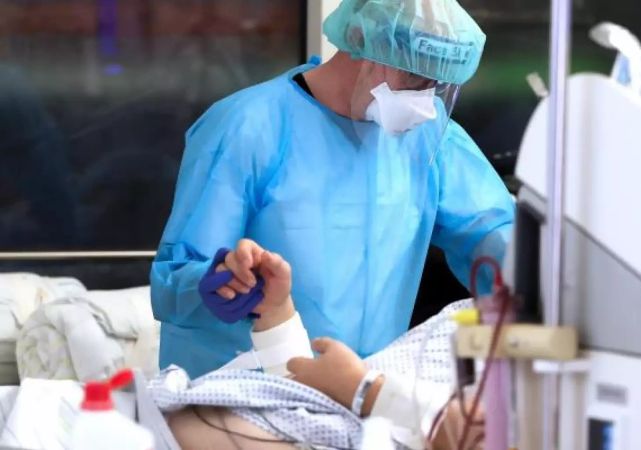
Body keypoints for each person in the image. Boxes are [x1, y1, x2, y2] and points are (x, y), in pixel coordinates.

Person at [151, 0, 514, 378]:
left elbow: (492, 232)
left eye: (437, 85)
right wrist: (221, 281)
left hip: (359, 391)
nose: (425, 101)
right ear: (360, 39)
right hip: (243, 392)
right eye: (415, 78)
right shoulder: (249, 126)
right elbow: (174, 280)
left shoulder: (427, 139)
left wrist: (542, 277)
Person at [163, 245, 484, 450]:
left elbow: (478, 437)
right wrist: (276, 315)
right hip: (159, 419)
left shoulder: (527, 374)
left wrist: (366, 390)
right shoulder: (478, 320)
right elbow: (309, 400)